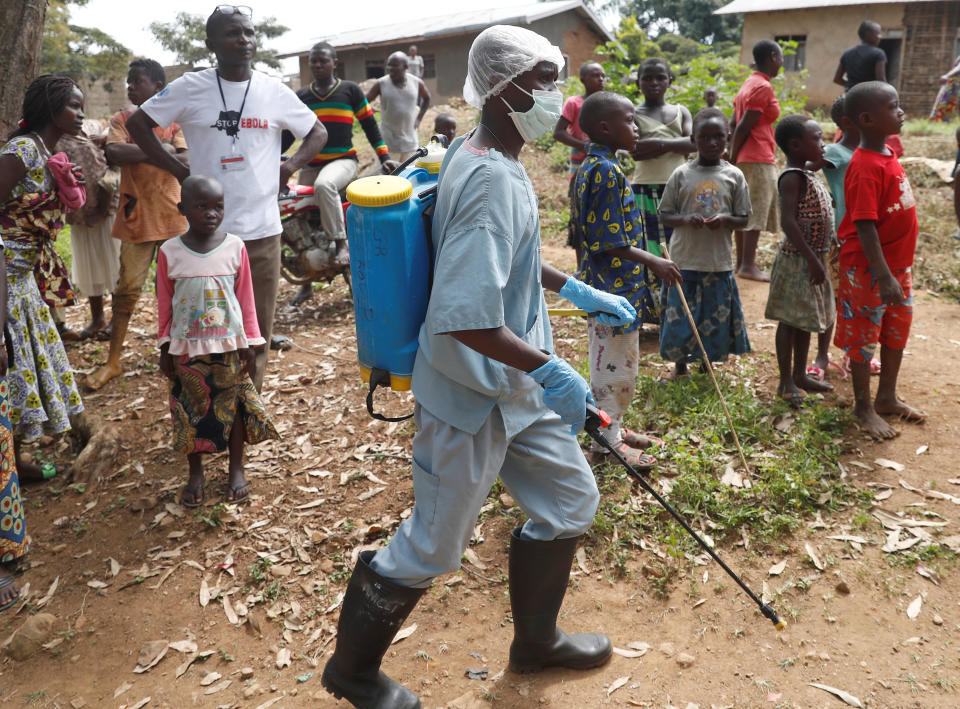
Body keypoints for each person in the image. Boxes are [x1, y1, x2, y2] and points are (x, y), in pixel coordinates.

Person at [321, 25, 630, 709]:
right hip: (469, 388)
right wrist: (556, 371)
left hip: (514, 386)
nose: (557, 97)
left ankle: (536, 640)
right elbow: (465, 314)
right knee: (433, 542)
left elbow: (506, 258)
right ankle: (353, 670)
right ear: (504, 87)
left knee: (570, 500)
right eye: (544, 81)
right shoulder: (489, 174)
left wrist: (570, 289)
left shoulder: (485, 152)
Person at [126, 5, 328, 392]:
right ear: (211, 44)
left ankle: (246, 413)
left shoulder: (272, 90)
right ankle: (209, 409)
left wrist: (289, 167)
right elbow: (139, 124)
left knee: (257, 334)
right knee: (206, 329)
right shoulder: (190, 87)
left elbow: (316, 131)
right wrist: (179, 171)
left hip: (262, 233)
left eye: (249, 33)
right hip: (205, 241)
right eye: (234, 33)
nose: (244, 40)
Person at [573, 91, 681, 468]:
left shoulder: (594, 167)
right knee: (615, 367)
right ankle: (606, 443)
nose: (636, 128)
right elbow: (608, 242)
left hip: (610, 289)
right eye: (630, 121)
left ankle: (614, 427)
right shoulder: (603, 171)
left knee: (612, 363)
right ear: (605, 127)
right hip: (613, 291)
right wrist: (654, 260)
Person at [158, 176, 277, 506]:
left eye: (218, 206)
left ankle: (235, 468)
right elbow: (165, 303)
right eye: (202, 206)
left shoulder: (234, 247)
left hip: (228, 347)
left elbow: (246, 300)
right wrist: (165, 346)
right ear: (183, 209)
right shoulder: (169, 251)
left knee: (234, 407)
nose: (212, 213)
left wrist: (250, 342)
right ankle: (195, 473)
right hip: (186, 348)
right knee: (189, 410)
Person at [0, 75, 87, 480]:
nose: (81, 114)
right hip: (5, 280)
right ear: (52, 108)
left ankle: (13, 466)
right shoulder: (22, 150)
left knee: (21, 372)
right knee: (12, 369)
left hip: (21, 283)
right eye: (73, 105)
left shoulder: (45, 151)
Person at [86, 59, 190, 392]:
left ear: (158, 87)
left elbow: (186, 160)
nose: (131, 87)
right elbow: (114, 151)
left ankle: (180, 353)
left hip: (174, 215)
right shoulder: (122, 118)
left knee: (182, 288)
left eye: (137, 81)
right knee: (127, 290)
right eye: (129, 82)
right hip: (136, 218)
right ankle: (113, 361)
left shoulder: (173, 120)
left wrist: (143, 149)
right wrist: (160, 149)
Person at [834, 81, 925, 439]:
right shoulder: (864, 165)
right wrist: (883, 275)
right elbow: (865, 225)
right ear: (867, 119)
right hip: (869, 271)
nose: (900, 112)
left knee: (895, 331)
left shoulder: (887, 154)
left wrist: (894, 272)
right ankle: (863, 406)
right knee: (863, 337)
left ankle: (886, 397)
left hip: (896, 268)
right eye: (893, 106)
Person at [290, 41, 399, 305]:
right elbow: (286, 133)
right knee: (294, 213)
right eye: (313, 61)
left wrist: (384, 157)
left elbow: (370, 126)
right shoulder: (302, 96)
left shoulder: (349, 90)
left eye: (323, 61)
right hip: (310, 165)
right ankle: (306, 283)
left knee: (325, 186)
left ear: (334, 64)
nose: (317, 65)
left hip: (343, 162)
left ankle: (341, 244)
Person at [658, 107, 752, 379]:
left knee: (712, 318)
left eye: (718, 137)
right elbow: (665, 214)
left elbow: (744, 218)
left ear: (728, 138)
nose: (712, 143)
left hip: (717, 262)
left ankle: (705, 365)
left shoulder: (734, 175)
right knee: (681, 316)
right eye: (705, 137)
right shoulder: (681, 174)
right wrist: (686, 218)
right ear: (693, 140)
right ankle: (680, 367)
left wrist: (725, 219)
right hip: (684, 260)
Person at [765, 115, 836, 406]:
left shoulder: (805, 171)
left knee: (805, 321)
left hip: (812, 258)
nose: (823, 144)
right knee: (789, 321)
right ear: (795, 145)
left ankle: (799, 375)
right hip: (798, 261)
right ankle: (785, 382)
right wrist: (811, 258)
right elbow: (789, 223)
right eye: (817, 138)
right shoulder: (791, 177)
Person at [820, 95, 879, 380]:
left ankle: (856, 352)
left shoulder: (874, 151)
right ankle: (822, 354)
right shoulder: (833, 153)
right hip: (842, 235)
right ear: (848, 122)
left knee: (862, 298)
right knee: (834, 296)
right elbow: (806, 162)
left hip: (870, 236)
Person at [630, 58, 695, 316]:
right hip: (645, 189)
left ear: (670, 80)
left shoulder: (681, 111)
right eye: (647, 78)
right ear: (638, 82)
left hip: (679, 188)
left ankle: (678, 307)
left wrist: (656, 144)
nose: (654, 83)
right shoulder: (632, 112)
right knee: (651, 248)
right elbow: (635, 152)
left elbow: (693, 144)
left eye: (660, 77)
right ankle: (657, 310)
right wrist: (672, 143)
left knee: (679, 245)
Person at [56, 118, 120, 341]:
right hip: (80, 215)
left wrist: (102, 210)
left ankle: (117, 320)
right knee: (89, 266)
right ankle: (97, 318)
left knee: (113, 264)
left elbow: (112, 171)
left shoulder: (93, 133)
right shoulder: (53, 140)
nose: (78, 114)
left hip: (106, 211)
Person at [730, 39, 782, 283]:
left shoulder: (748, 84)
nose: (781, 64)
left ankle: (742, 263)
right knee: (755, 210)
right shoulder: (763, 87)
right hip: (758, 155)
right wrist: (731, 156)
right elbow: (743, 126)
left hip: (746, 156)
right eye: (781, 59)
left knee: (744, 209)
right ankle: (748, 265)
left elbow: (733, 123)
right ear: (772, 57)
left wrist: (734, 155)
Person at [553, 61, 606, 264]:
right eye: (595, 75)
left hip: (605, 165)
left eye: (602, 75)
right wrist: (587, 147)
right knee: (580, 216)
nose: (600, 79)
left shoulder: (607, 103)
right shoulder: (574, 103)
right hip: (581, 167)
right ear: (583, 79)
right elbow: (559, 133)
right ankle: (582, 267)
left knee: (604, 214)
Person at [366, 52, 431, 161]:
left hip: (410, 142)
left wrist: (419, 119)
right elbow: (364, 101)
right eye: (389, 65)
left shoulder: (416, 82)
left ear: (406, 66)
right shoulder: (381, 83)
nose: (390, 68)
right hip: (388, 143)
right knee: (387, 176)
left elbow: (427, 98)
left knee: (409, 175)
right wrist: (369, 110)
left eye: (394, 65)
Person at [834, 21, 887, 91]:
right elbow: (881, 81)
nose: (880, 37)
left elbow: (837, 79)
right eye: (878, 33)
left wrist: (852, 86)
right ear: (869, 34)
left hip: (850, 96)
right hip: (870, 96)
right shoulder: (878, 53)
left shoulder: (847, 53)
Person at [930, 54, 960, 123]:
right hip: (953, 85)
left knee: (946, 105)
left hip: (955, 85)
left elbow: (959, 68)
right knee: (947, 105)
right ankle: (944, 122)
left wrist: (947, 75)